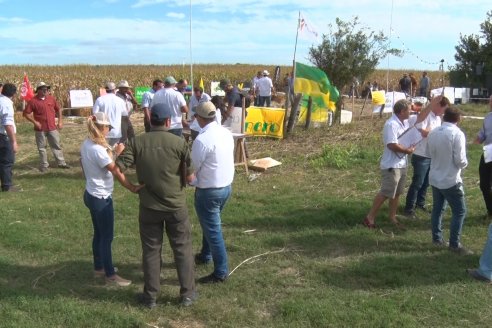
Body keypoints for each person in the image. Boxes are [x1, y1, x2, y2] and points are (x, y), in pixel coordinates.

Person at [116, 102, 197, 308]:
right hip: (176, 207)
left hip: (149, 207)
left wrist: (131, 187)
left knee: (151, 251)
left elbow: (117, 167)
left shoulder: (137, 142)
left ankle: (150, 296)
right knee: (182, 249)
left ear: (150, 120)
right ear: (168, 121)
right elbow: (190, 177)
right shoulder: (179, 143)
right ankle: (187, 294)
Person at [80, 112, 142, 287]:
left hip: (91, 193)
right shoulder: (98, 150)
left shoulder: (87, 143)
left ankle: (99, 267)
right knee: (106, 237)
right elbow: (115, 169)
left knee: (99, 234)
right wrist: (132, 186)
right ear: (102, 128)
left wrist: (113, 152)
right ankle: (110, 275)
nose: (109, 130)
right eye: (108, 127)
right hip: (101, 197)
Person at [362, 99, 434, 228]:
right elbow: (391, 144)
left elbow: (421, 116)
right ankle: (369, 217)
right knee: (386, 192)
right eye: (408, 109)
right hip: (392, 165)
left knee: (397, 193)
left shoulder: (405, 121)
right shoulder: (391, 124)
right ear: (402, 111)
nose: (411, 111)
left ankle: (392, 217)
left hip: (401, 164)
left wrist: (432, 104)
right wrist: (407, 150)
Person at [191, 101, 234, 283]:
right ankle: (205, 254)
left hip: (209, 191)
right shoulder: (226, 132)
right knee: (210, 225)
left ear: (200, 118)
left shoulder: (201, 140)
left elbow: (192, 167)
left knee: (213, 230)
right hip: (225, 187)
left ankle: (221, 271)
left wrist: (188, 179)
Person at [427, 107, 472, 254]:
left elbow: (429, 153)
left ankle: (437, 238)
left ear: (444, 117)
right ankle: (454, 243)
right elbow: (460, 160)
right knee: (459, 211)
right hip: (450, 179)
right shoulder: (457, 134)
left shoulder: (433, 132)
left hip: (435, 177)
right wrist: (465, 164)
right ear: (458, 119)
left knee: (437, 209)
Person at [403, 96, 450, 218]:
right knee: (417, 182)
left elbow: (430, 133)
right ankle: (409, 208)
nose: (444, 112)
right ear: (438, 105)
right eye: (444, 108)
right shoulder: (426, 115)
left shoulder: (438, 118)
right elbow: (423, 132)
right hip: (421, 154)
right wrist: (434, 134)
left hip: (432, 155)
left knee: (426, 183)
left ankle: (420, 203)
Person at [23, 82, 70, 172]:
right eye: (44, 89)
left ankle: (61, 163)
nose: (46, 90)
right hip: (40, 129)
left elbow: (58, 109)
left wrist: (60, 121)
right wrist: (35, 122)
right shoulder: (33, 101)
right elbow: (26, 114)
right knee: (42, 148)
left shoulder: (51, 99)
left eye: (47, 89)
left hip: (52, 128)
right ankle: (44, 165)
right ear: (38, 90)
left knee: (56, 145)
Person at [93, 82, 126, 146]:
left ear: (105, 89)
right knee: (113, 152)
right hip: (116, 132)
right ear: (115, 89)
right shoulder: (120, 100)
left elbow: (95, 113)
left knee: (103, 150)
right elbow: (125, 114)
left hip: (103, 131)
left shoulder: (100, 100)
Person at [474, 96, 492, 219]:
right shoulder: (488, 117)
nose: (490, 103)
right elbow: (483, 134)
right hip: (489, 152)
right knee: (484, 185)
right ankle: (490, 210)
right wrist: (478, 138)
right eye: (490, 101)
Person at [0, 83, 19, 192]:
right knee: (7, 161)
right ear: (13, 94)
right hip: (4, 136)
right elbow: (7, 124)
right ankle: (7, 186)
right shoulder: (6, 103)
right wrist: (13, 142)